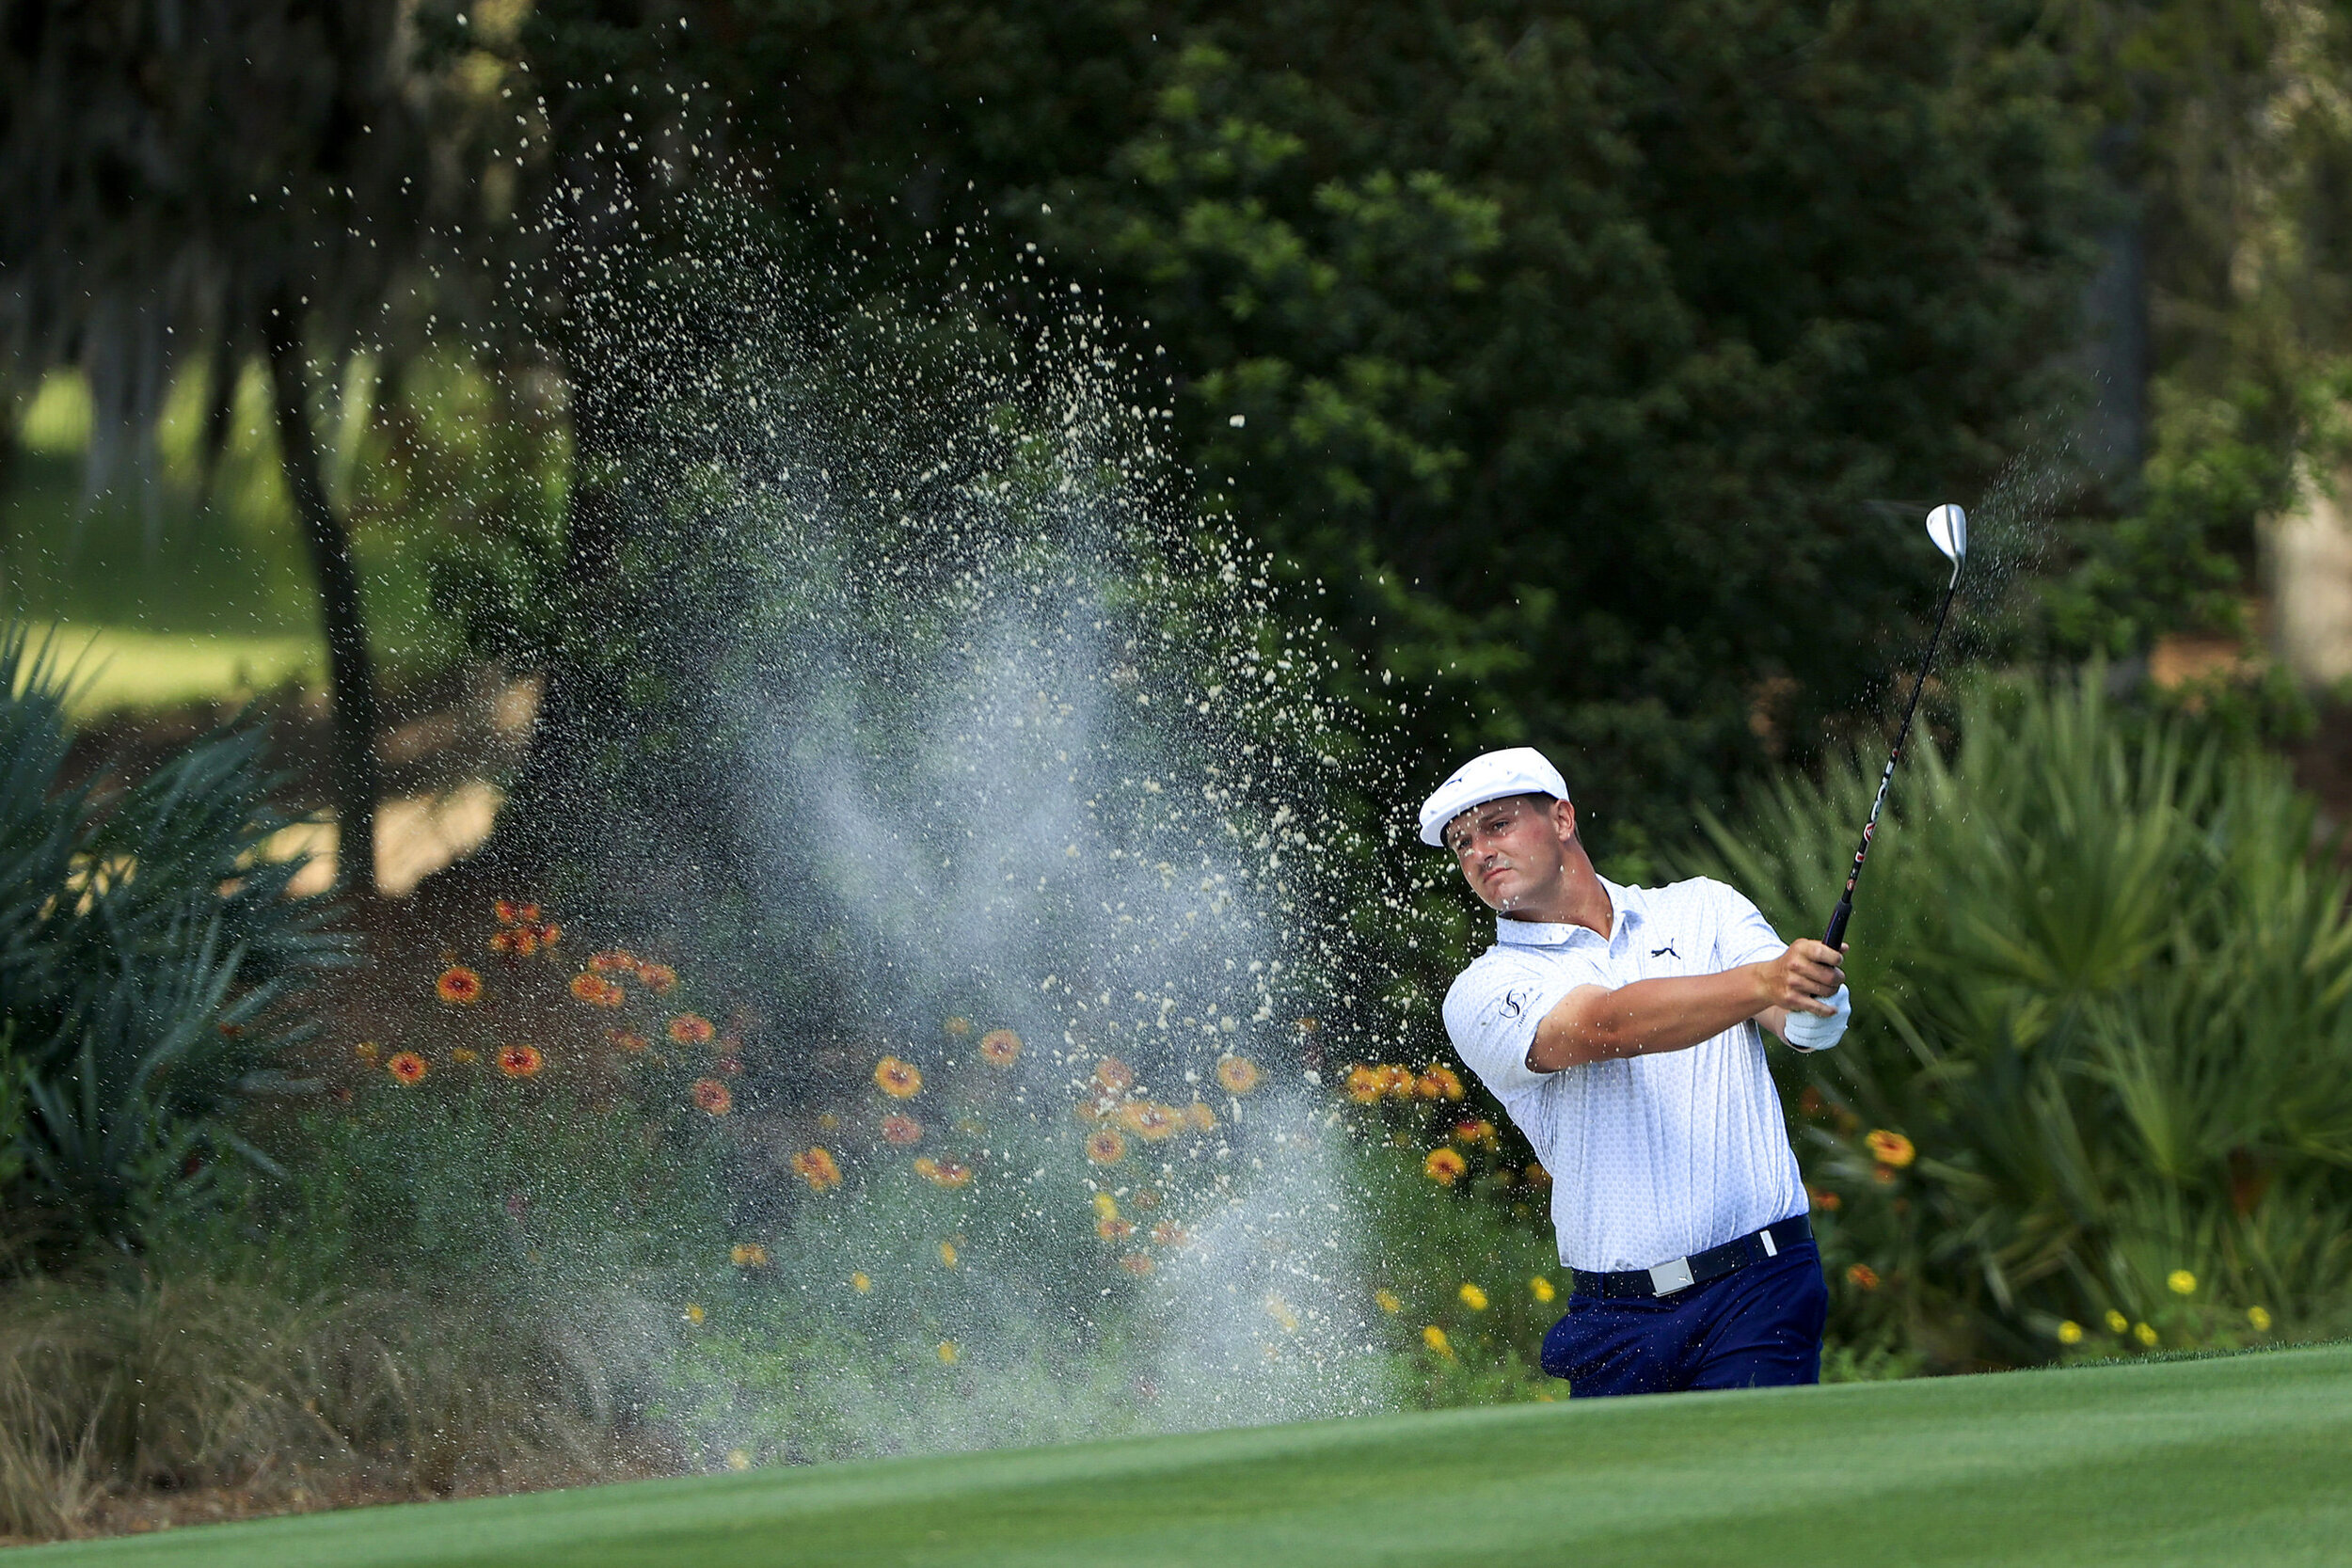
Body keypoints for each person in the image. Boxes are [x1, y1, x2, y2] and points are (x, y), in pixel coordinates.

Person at [1423, 746, 1851, 1396]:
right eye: (1462, 842)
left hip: (1760, 1286)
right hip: (1617, 1317)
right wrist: (1769, 978)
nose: (1479, 851)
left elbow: (1796, 1021)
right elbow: (1604, 1027)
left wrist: (1817, 996)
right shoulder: (1483, 988)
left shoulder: (1703, 908)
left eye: (1498, 824)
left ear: (1563, 819)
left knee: (1750, 1488)